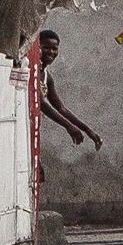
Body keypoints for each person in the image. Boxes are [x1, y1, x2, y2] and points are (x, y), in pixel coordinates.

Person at [33, 27, 100, 157]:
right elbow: (42, 102)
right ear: (37, 47)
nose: (51, 52)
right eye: (46, 47)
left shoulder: (47, 77)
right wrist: (68, 126)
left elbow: (61, 108)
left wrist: (87, 130)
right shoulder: (32, 70)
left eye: (54, 48)